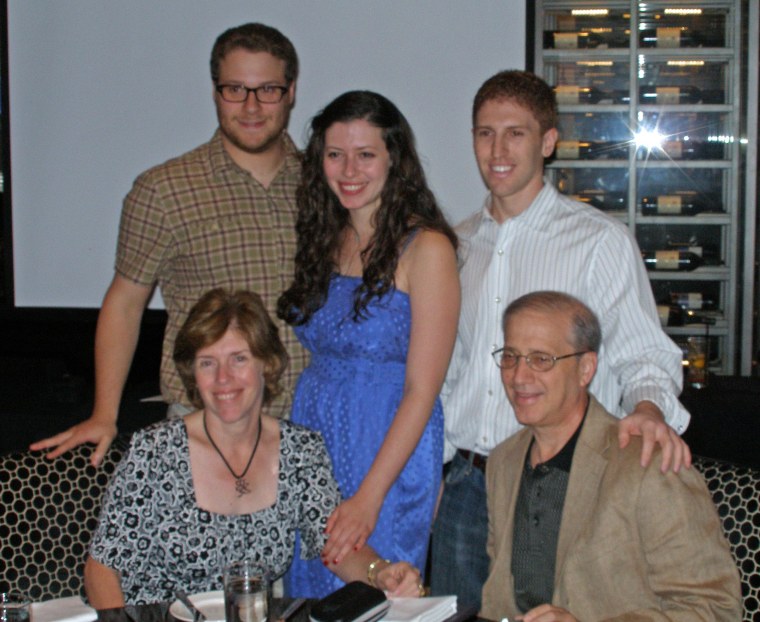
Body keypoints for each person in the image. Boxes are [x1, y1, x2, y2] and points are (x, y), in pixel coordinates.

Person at [430, 69, 693, 608]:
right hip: (465, 486)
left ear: (548, 142)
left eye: (516, 133)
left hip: (553, 485)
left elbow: (644, 354)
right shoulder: (457, 245)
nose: (497, 149)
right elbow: (450, 369)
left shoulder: (598, 242)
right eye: (484, 133)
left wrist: (647, 408)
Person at [32, 23, 308, 466]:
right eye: (235, 89)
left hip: (310, 425)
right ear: (216, 91)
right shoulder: (164, 190)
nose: (252, 106)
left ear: (291, 91)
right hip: (203, 426)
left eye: (268, 89)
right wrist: (104, 413)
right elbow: (125, 303)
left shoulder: (325, 183)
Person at [84, 288, 423, 608]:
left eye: (238, 359)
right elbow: (101, 570)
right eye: (207, 362)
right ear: (192, 374)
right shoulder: (154, 452)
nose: (223, 378)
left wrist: (381, 574)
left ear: (267, 363)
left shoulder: (300, 451)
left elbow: (336, 545)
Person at [277, 91, 460, 598]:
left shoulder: (427, 248)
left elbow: (423, 390)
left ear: (394, 159)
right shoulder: (324, 237)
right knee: (314, 586)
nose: (348, 169)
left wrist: (368, 498)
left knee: (378, 594)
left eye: (366, 154)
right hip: (315, 432)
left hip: (385, 446)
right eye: (335, 154)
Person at [480, 291, 741, 620]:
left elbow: (715, 607)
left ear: (585, 369)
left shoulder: (647, 464)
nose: (519, 376)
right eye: (510, 356)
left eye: (541, 359)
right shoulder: (503, 461)